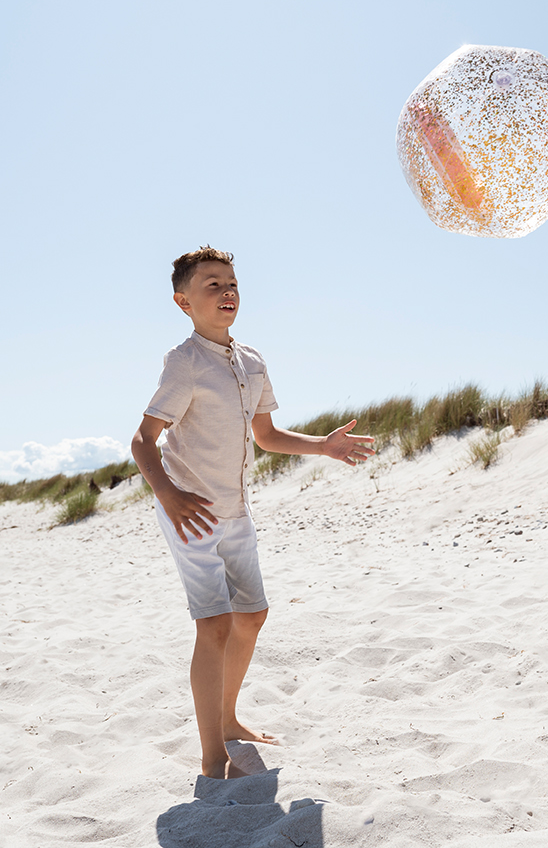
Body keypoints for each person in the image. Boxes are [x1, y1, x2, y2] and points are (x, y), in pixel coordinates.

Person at [131, 246, 376, 780]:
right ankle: (211, 755)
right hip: (190, 511)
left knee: (252, 617)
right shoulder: (184, 361)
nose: (227, 291)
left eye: (232, 282)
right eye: (212, 284)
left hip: (236, 510)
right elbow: (143, 439)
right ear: (183, 301)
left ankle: (229, 719)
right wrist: (169, 495)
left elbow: (264, 436)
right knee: (215, 624)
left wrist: (323, 445)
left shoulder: (253, 361)